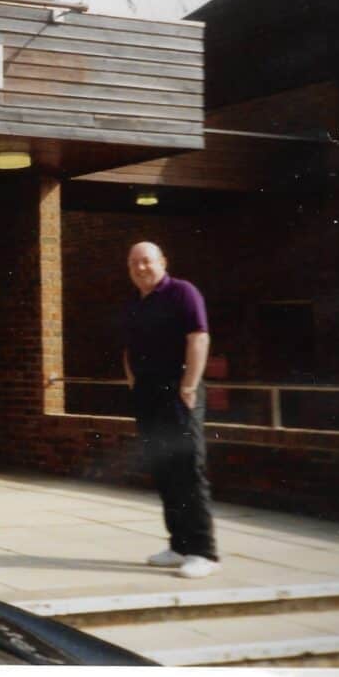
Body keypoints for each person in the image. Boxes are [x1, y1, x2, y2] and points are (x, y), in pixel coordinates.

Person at [122, 241, 220, 579]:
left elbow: (199, 339)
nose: (140, 267)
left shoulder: (182, 292)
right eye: (133, 263)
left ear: (162, 261)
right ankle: (179, 544)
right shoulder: (134, 302)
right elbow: (128, 347)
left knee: (188, 467)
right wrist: (133, 381)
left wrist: (189, 386)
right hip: (148, 394)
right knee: (163, 468)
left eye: (146, 261)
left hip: (179, 392)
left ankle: (203, 551)